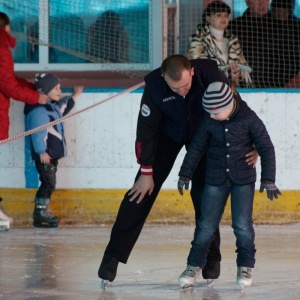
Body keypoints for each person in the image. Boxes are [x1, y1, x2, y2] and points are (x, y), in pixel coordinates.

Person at [97, 54, 258, 288]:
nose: (182, 92)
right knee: (139, 194)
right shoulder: (154, 86)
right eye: (175, 88)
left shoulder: (211, 75)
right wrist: (146, 171)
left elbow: (237, 107)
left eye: (185, 86)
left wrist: (252, 143)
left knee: (205, 196)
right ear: (164, 77)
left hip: (205, 136)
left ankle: (210, 258)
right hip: (167, 136)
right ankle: (112, 257)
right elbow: (145, 130)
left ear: (192, 71)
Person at [177, 81, 281, 290]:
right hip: (215, 179)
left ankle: (245, 265)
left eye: (215, 113)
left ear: (227, 105)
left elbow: (266, 147)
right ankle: (193, 265)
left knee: (242, 226)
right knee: (206, 225)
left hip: (242, 180)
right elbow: (196, 148)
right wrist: (185, 174)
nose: (211, 116)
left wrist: (268, 179)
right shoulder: (209, 121)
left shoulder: (249, 119)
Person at [0, 12, 48, 229]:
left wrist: (31, 87)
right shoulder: (1, 49)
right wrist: (36, 96)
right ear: (5, 27)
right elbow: (8, 85)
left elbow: (8, 78)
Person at [24, 73, 83, 228]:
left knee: (49, 183)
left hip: (51, 155)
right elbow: (38, 133)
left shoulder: (52, 108)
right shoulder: (40, 111)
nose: (60, 91)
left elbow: (63, 108)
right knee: (48, 184)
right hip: (45, 156)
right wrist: (41, 151)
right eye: (56, 88)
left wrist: (74, 96)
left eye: (60, 87)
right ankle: (40, 211)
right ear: (45, 91)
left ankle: (41, 213)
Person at [187, 1, 252, 88]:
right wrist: (228, 74)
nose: (223, 18)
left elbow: (246, 68)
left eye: (226, 15)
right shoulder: (198, 40)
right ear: (208, 18)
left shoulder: (233, 40)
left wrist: (238, 72)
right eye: (218, 15)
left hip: (232, 90)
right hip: (207, 90)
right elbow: (199, 68)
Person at [228, 0, 272, 88]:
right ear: (247, 2)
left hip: (276, 85)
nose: (261, 3)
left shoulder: (279, 27)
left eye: (266, 0)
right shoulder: (234, 27)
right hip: (243, 84)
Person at [268, 0, 300, 87]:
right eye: (278, 10)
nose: (281, 13)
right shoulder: (265, 24)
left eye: (285, 10)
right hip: (268, 77)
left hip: (293, 76)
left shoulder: (297, 26)